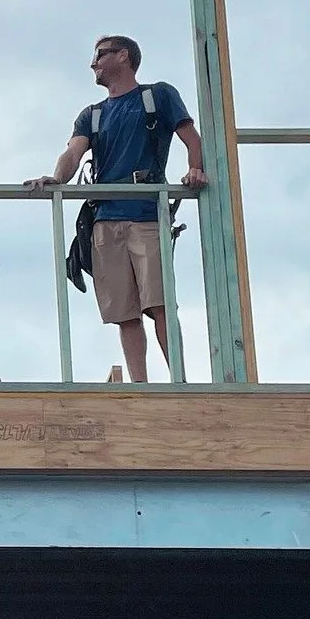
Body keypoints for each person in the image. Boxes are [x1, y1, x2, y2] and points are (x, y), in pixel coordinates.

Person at [27, 35, 206, 382]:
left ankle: (180, 382)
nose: (93, 63)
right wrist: (57, 179)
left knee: (160, 304)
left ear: (123, 56)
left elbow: (191, 138)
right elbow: (73, 153)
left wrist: (195, 169)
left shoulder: (158, 95)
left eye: (99, 55)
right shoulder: (92, 115)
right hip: (105, 218)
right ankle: (141, 386)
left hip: (146, 214)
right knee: (124, 312)